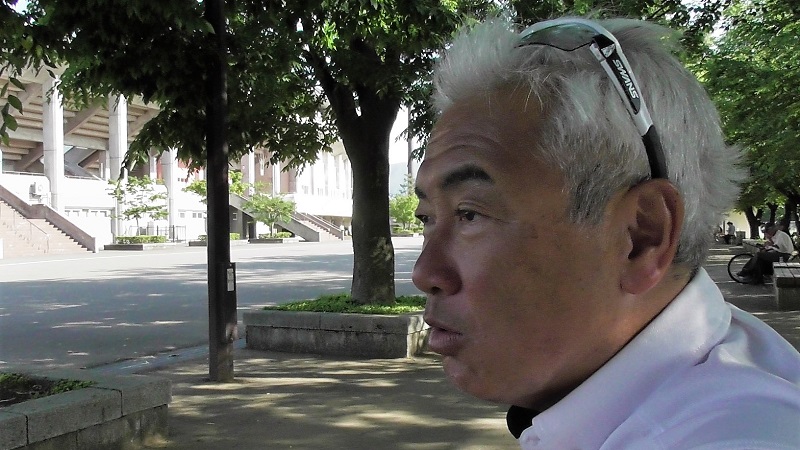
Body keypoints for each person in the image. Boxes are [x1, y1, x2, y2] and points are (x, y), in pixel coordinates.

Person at [411, 16, 800, 448]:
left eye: (469, 214)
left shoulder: (740, 434)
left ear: (641, 237)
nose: (425, 273)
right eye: (427, 218)